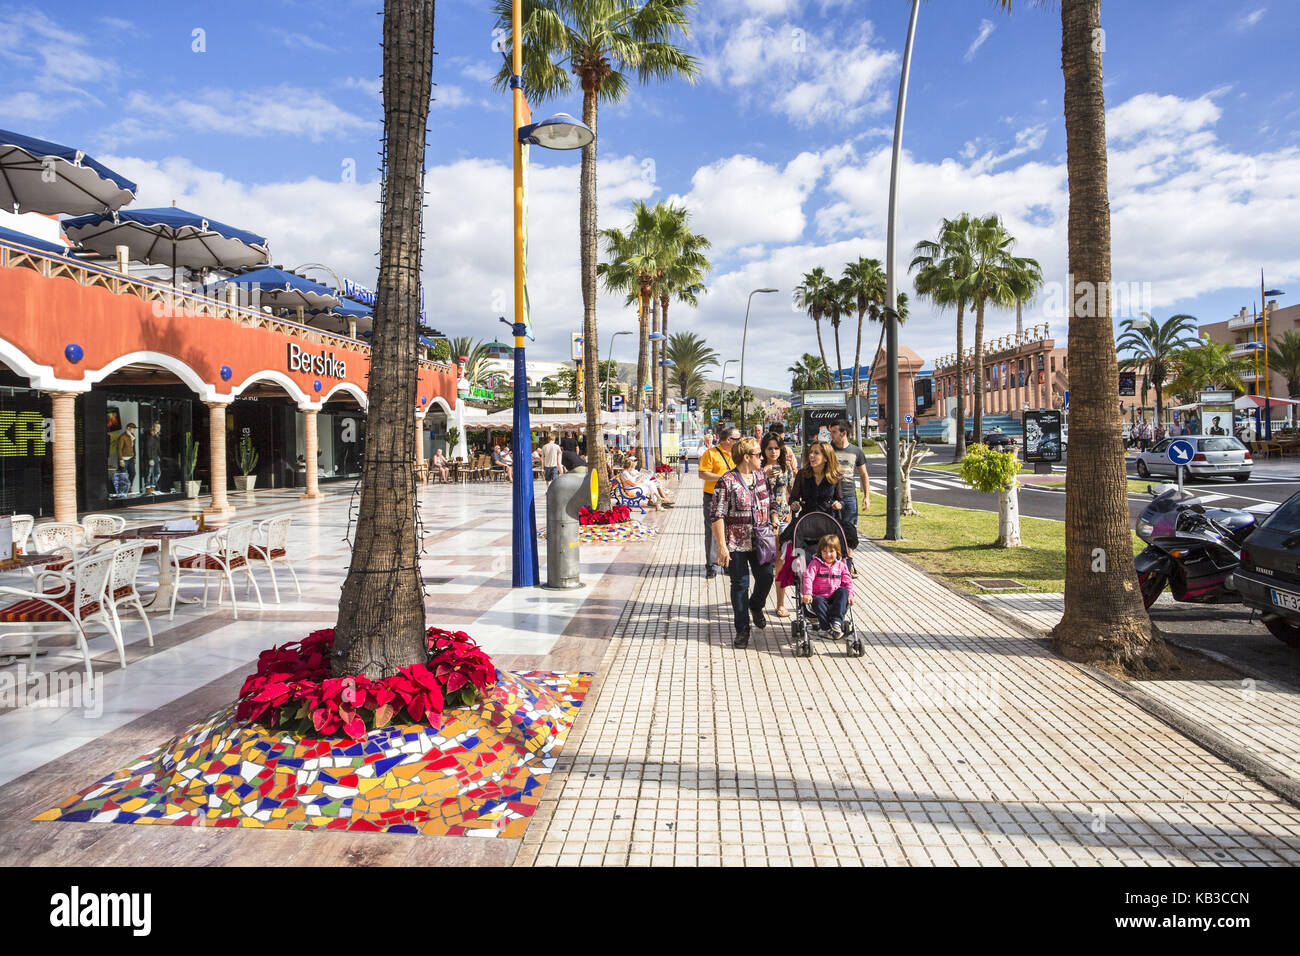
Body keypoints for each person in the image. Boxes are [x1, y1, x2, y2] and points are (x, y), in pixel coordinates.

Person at [710, 436, 774, 649]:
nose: (761, 457)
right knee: (740, 585)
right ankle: (742, 630)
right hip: (735, 542)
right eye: (758, 454)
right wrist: (721, 546)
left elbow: (771, 501)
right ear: (746, 457)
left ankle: (756, 606)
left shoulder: (761, 476)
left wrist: (774, 517)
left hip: (761, 540)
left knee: (766, 577)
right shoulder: (727, 481)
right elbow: (717, 515)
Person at [762, 433, 795, 618]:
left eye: (776, 448)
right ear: (764, 450)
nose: (773, 451)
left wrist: (792, 509)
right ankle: (759, 599)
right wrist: (763, 474)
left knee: (781, 562)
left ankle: (781, 603)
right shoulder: (757, 468)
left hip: (783, 517)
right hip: (763, 519)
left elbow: (791, 491)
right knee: (766, 564)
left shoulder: (786, 467)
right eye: (770, 448)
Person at [700, 428, 739, 579]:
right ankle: (711, 565)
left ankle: (727, 562)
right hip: (713, 496)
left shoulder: (737, 454)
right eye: (737, 438)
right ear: (728, 440)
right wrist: (723, 477)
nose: (739, 441)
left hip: (733, 497)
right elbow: (702, 473)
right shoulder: (710, 454)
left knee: (731, 530)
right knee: (712, 530)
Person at [801, 533, 854, 637]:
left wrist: (851, 595)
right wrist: (807, 593)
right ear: (820, 552)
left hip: (834, 597)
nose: (828, 555)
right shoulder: (815, 564)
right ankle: (826, 628)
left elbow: (848, 581)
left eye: (831, 551)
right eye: (824, 551)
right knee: (818, 601)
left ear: (837, 552)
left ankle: (836, 622)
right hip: (819, 596)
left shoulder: (841, 566)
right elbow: (808, 578)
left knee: (843, 591)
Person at [828, 418, 870, 542]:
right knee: (832, 530)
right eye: (831, 432)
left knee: (850, 531)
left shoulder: (856, 451)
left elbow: (864, 474)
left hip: (849, 495)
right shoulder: (828, 450)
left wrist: (867, 497)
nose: (831, 435)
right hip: (832, 495)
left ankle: (848, 559)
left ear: (844, 433)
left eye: (834, 432)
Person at [118, 422, 138, 493]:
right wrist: (121, 460)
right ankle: (122, 490)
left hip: (131, 458)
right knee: (122, 475)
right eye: (133, 428)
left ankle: (129, 487)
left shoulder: (132, 436)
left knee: (133, 473)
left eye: (134, 428)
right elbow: (119, 449)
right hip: (124, 459)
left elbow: (133, 448)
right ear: (128, 428)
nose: (134, 430)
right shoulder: (122, 437)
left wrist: (135, 457)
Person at [144, 421, 162, 493]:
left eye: (159, 427)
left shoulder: (156, 436)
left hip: (156, 457)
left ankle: (153, 486)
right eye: (157, 427)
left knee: (157, 472)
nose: (158, 429)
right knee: (149, 473)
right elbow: (148, 448)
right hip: (151, 458)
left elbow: (157, 448)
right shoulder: (150, 436)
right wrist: (150, 458)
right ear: (153, 427)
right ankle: (148, 488)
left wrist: (159, 456)